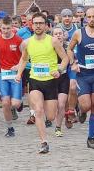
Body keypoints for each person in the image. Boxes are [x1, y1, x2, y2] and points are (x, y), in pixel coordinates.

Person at [15, 13, 68, 154]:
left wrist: (60, 69)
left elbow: (65, 59)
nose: (38, 26)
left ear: (46, 25)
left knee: (50, 116)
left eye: (40, 23)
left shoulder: (53, 41)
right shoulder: (27, 42)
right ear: (32, 25)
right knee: (38, 110)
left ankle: (48, 119)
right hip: (35, 81)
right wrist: (19, 74)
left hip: (50, 81)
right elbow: (24, 59)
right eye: (35, 23)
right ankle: (44, 142)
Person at [68, 7, 94, 149]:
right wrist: (72, 63)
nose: (92, 19)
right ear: (85, 18)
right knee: (86, 105)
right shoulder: (78, 33)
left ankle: (91, 138)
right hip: (83, 74)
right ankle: (80, 110)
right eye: (89, 17)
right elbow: (69, 49)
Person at [0, 16, 23, 137]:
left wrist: (18, 66)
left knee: (15, 104)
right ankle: (10, 128)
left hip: (16, 74)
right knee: (5, 103)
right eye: (3, 28)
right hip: (3, 74)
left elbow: (26, 57)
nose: (6, 31)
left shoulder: (18, 40)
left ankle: (17, 104)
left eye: (8, 28)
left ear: (12, 27)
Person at [56, 8, 80, 128]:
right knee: (63, 92)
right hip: (61, 65)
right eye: (64, 16)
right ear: (61, 18)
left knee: (73, 86)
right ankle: (66, 113)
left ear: (72, 17)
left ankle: (71, 110)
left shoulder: (77, 29)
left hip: (73, 63)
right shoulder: (57, 30)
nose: (67, 18)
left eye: (69, 16)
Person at [51, 27, 70, 137]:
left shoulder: (67, 47)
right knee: (52, 106)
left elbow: (73, 59)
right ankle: (49, 119)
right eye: (56, 34)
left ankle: (58, 127)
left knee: (61, 104)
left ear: (63, 35)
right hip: (50, 79)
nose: (58, 35)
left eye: (60, 33)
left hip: (63, 78)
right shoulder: (49, 47)